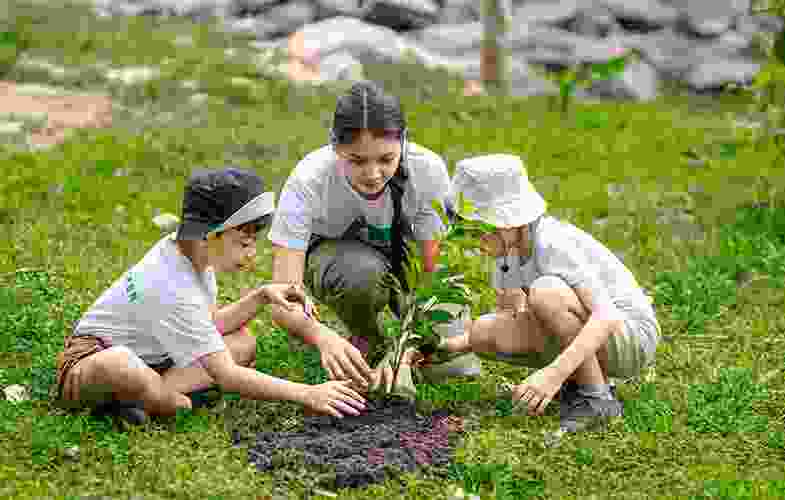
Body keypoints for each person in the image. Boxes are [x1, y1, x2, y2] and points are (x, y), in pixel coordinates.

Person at [54, 167, 367, 426]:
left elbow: (209, 325)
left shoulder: (193, 255)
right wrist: (308, 393)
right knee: (125, 366)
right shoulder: (171, 284)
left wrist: (261, 296)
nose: (252, 254)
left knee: (242, 344)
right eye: (244, 243)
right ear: (209, 235)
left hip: (155, 358)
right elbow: (227, 376)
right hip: (90, 363)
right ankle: (163, 403)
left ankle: (138, 402)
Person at [267, 80, 482, 392]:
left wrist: (404, 349)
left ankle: (392, 347)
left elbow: (435, 273)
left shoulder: (427, 170)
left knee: (454, 368)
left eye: (385, 159)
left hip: (406, 259)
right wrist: (322, 337)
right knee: (360, 274)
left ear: (403, 142)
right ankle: (367, 335)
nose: (372, 174)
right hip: (342, 262)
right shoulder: (308, 180)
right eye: (357, 160)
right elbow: (281, 299)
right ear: (334, 146)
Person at [427, 154, 660, 433]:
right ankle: (579, 381)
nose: (474, 241)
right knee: (483, 332)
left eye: (478, 230)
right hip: (599, 334)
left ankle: (597, 398)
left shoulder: (551, 243)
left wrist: (552, 374)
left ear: (508, 221)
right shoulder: (508, 252)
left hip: (631, 335)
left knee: (546, 293)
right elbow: (512, 320)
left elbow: (606, 316)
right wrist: (447, 348)